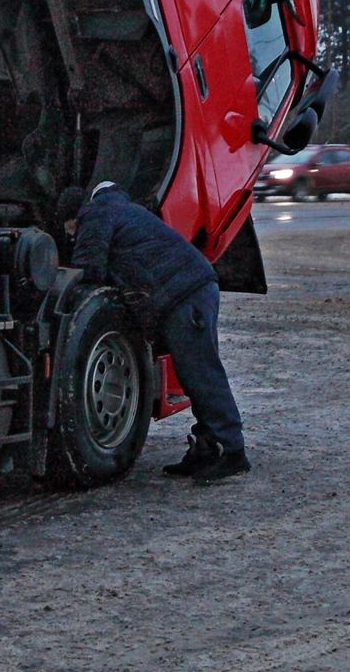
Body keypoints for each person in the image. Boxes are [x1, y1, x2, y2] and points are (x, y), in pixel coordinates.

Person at [57, 182, 249, 483]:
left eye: (69, 228)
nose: (71, 234)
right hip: (191, 290)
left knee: (202, 373)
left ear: (74, 215)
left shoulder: (95, 214)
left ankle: (232, 451)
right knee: (193, 373)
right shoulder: (122, 209)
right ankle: (208, 448)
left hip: (185, 296)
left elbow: (88, 268)